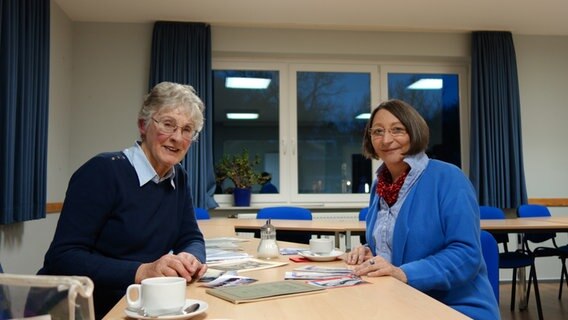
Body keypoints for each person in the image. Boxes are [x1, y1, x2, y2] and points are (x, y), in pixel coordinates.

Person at [36, 82, 208, 318]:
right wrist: (142, 271)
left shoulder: (179, 177)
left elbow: (190, 237)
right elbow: (63, 258)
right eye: (168, 124)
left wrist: (192, 257)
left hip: (136, 304)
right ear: (143, 125)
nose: (177, 137)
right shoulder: (103, 171)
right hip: (79, 307)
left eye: (187, 129)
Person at [345, 99, 499, 319]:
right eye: (377, 131)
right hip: (399, 299)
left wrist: (402, 273)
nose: (386, 139)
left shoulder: (448, 178)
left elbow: (466, 254)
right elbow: (398, 244)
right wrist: (372, 250)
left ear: (414, 131)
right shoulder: (380, 184)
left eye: (397, 130)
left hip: (452, 306)